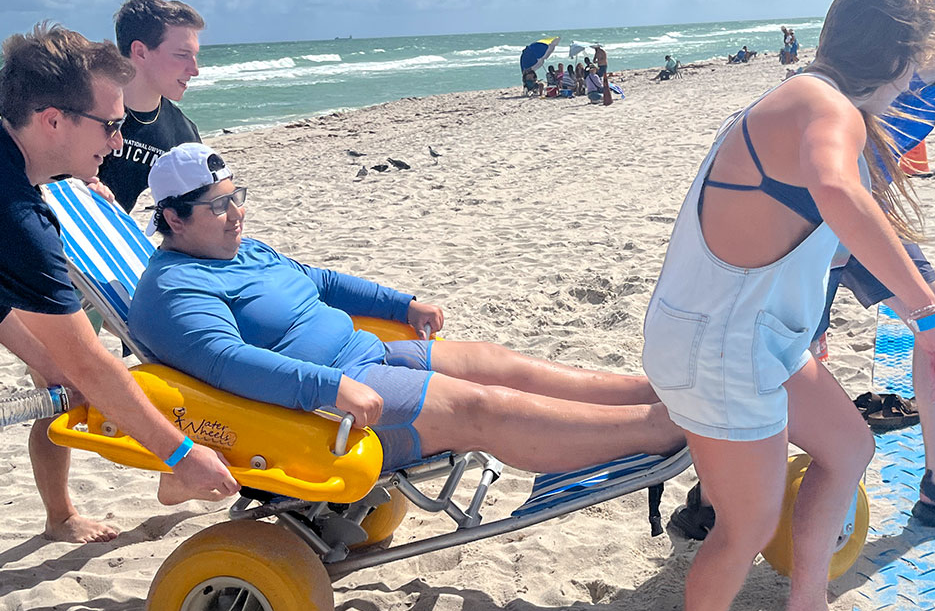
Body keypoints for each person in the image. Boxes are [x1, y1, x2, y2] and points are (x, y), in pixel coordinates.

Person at [641, 0, 935, 611]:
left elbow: (810, 239)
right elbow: (836, 192)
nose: (921, 81)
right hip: (721, 348)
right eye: (923, 63)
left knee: (851, 445)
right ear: (896, 55)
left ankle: (807, 610)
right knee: (748, 525)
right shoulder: (827, 108)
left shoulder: (806, 96)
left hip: (749, 332)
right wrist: (929, 316)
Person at [671, 0, 935, 542]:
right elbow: (828, 172)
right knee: (783, 361)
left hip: (863, 215)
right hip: (813, 223)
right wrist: (836, 260)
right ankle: (712, 496)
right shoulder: (897, 63)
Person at [127, 145, 685, 479]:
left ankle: (656, 394)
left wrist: (401, 303)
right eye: (219, 205)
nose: (237, 213)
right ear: (173, 219)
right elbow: (228, 364)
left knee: (496, 361)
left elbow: (319, 281)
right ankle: (658, 429)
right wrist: (328, 387)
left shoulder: (238, 247)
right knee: (481, 406)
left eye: (237, 195)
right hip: (328, 409)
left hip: (368, 354)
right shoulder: (177, 290)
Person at [0, 25, 239, 542]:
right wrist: (180, 454)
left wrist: (45, 363)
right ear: (53, 121)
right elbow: (88, 361)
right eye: (109, 125)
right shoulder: (21, 221)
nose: (117, 141)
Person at [97, 0, 204, 212]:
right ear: (140, 52)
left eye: (194, 56)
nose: (194, 70)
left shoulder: (184, 135)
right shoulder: (84, 114)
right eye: (182, 55)